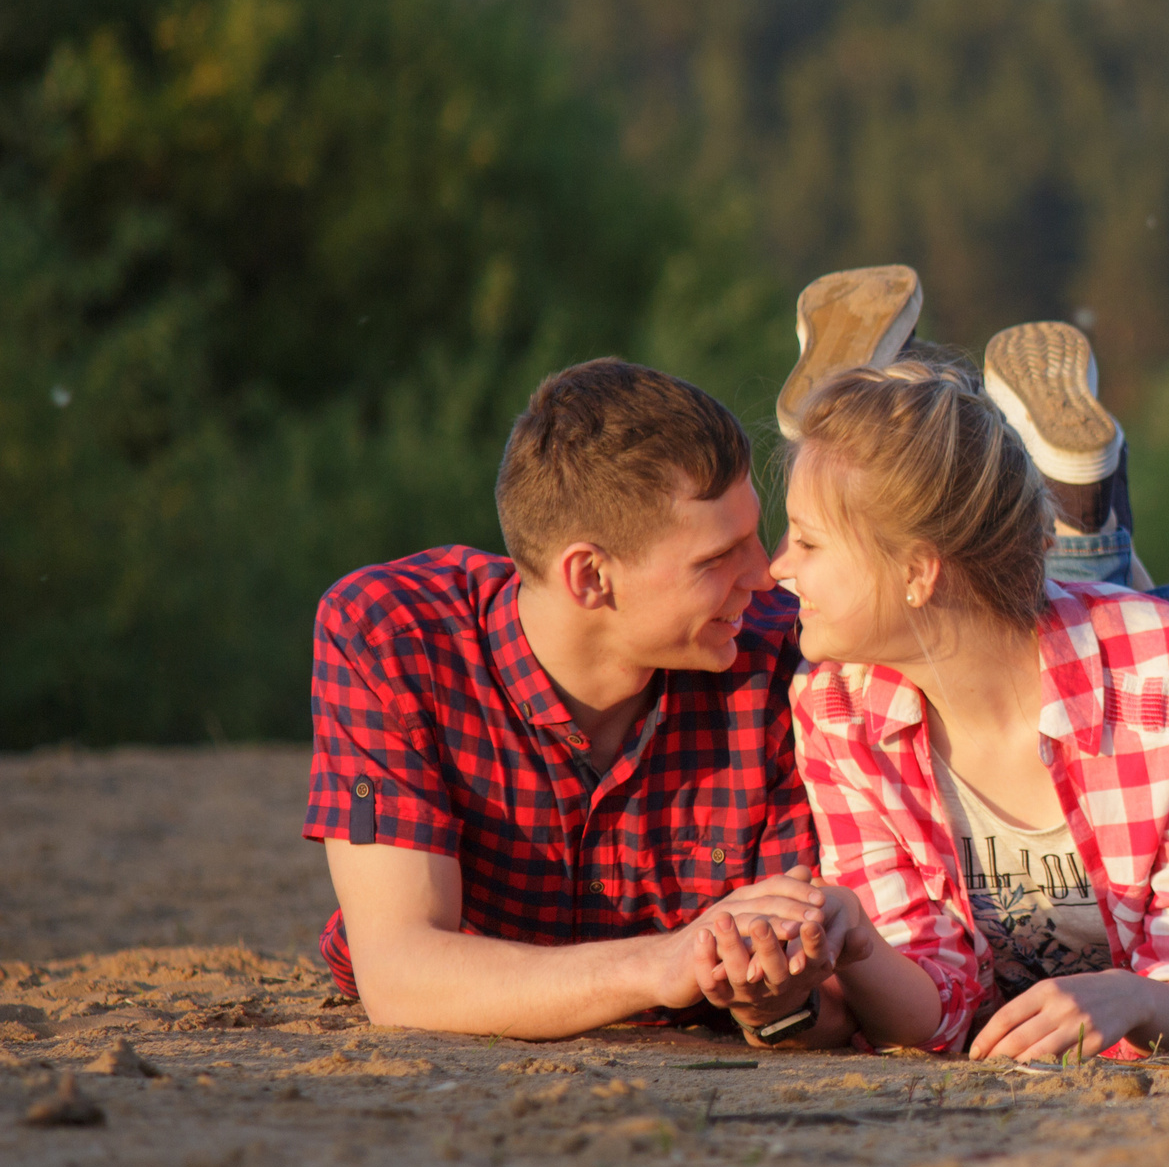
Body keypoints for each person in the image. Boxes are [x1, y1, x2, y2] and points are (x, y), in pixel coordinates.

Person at [767, 349, 1169, 1059]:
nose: (778, 565)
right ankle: (1086, 521)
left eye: (807, 541)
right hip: (1139, 763)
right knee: (1111, 630)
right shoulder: (835, 708)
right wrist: (859, 941)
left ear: (917, 572)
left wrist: (1137, 997)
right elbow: (939, 997)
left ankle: (1091, 536)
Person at [303, 357, 885, 1043]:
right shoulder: (393, 637)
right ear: (589, 576)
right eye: (717, 557)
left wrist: (773, 1004)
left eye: (755, 534)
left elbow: (837, 1006)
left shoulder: (782, 659)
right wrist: (658, 963)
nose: (766, 573)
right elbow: (400, 973)